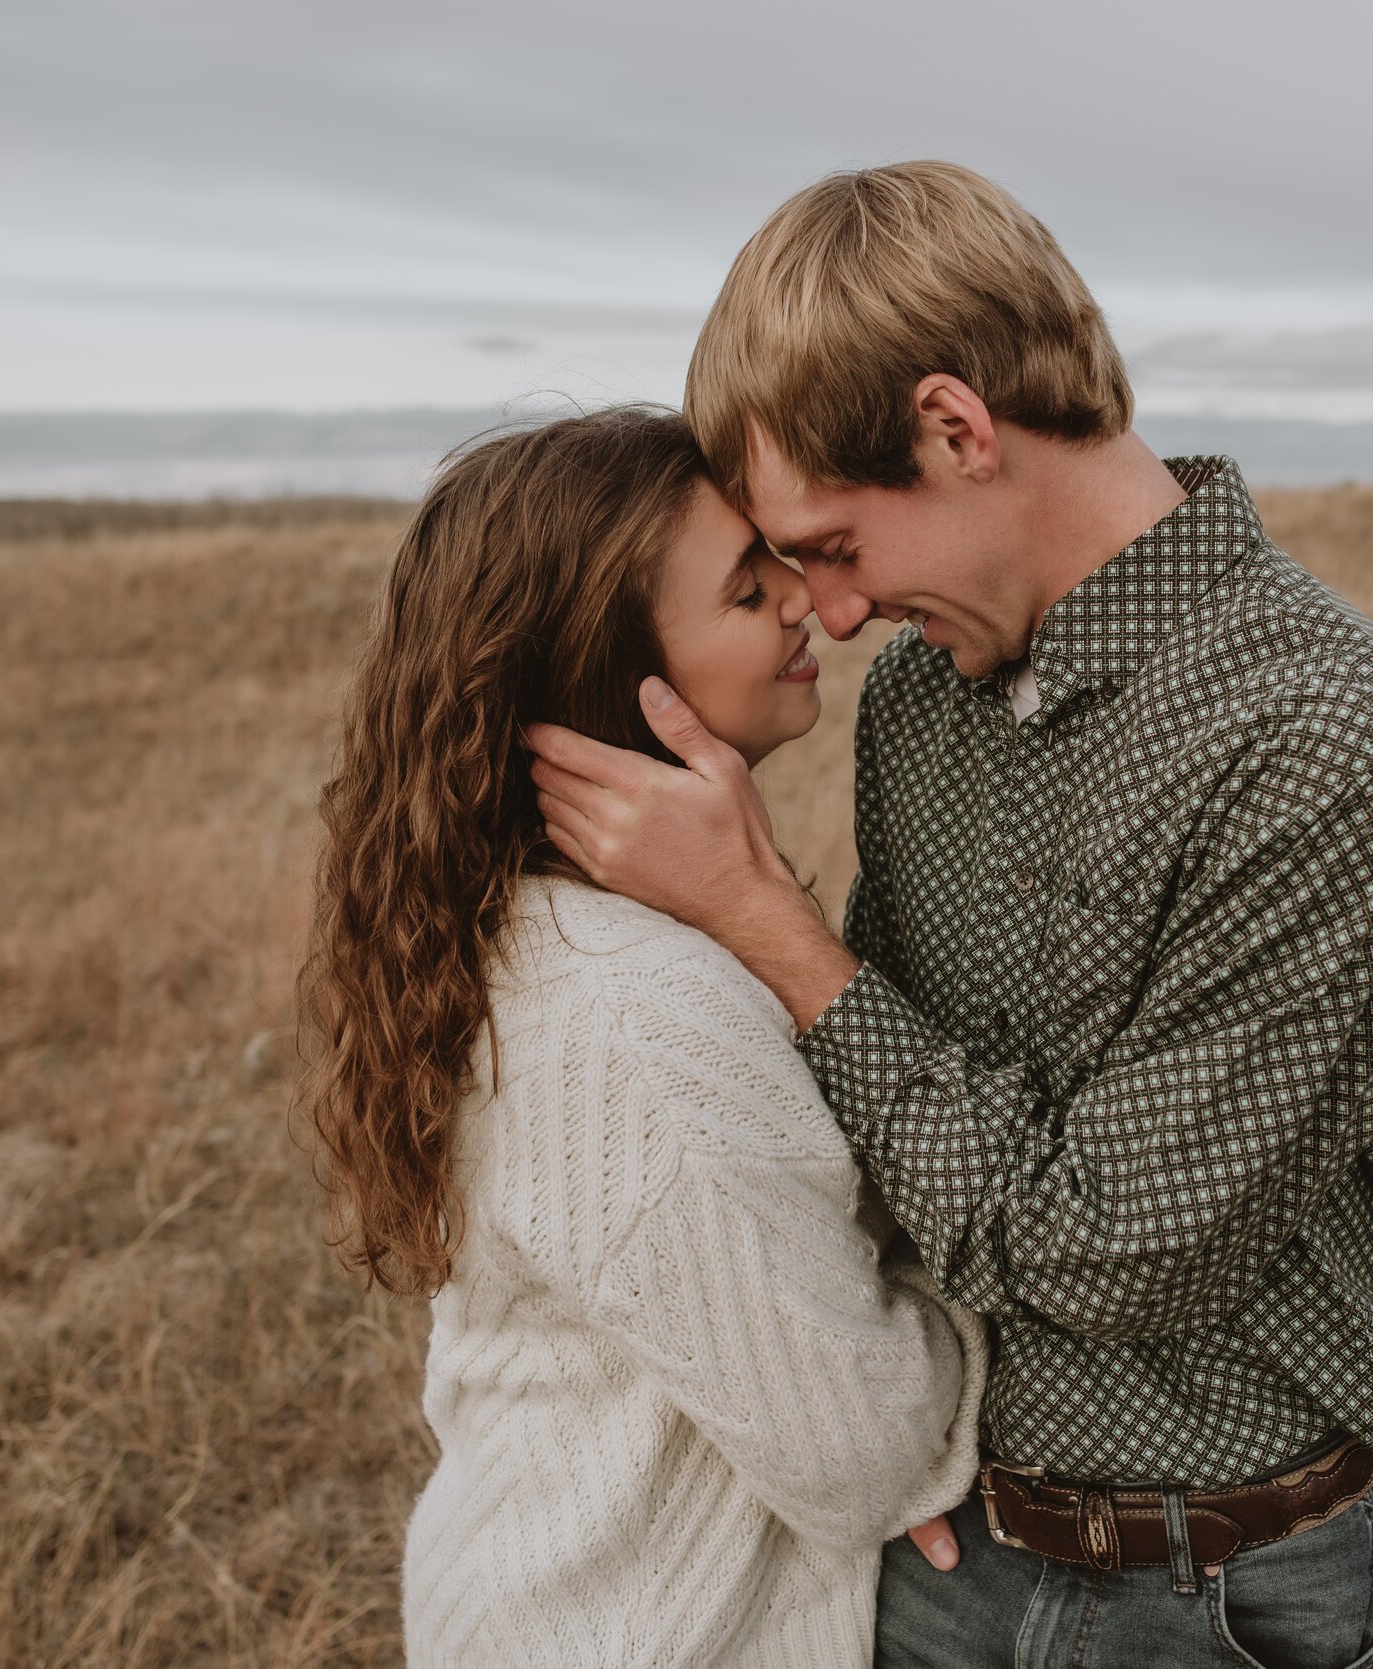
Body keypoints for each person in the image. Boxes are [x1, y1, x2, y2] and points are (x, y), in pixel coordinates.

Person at [522, 162, 1373, 1666]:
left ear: (956, 429)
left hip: (1228, 1598)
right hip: (936, 1562)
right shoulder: (927, 696)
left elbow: (1112, 1251)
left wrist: (768, 924)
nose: (835, 618)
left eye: (839, 548)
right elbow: (874, 1122)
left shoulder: (1338, 754)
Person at [296, 406, 986, 1667]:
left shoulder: (550, 936)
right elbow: (862, 1449)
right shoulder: (636, 1009)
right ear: (623, 677)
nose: (804, 603)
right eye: (744, 587)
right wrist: (978, 1309)